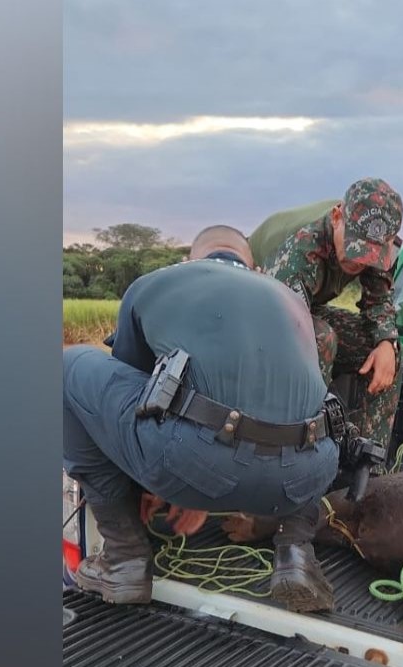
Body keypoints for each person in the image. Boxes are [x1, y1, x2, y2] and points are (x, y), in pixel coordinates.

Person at [64, 225, 340, 612]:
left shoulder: (159, 283)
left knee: (67, 368)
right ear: (254, 267)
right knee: (305, 412)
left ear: (190, 260)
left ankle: (124, 558)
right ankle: (295, 555)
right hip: (306, 478)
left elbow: (130, 389)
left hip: (195, 463)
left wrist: (168, 483)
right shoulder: (291, 300)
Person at [248, 177, 403, 453]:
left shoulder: (374, 241)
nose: (360, 262)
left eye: (370, 255)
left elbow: (379, 300)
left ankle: (368, 461)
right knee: (320, 338)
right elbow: (280, 331)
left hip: (305, 304)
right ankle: (305, 453)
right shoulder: (298, 251)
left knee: (390, 350)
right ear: (336, 218)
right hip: (260, 310)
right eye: (356, 250)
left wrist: (385, 342)